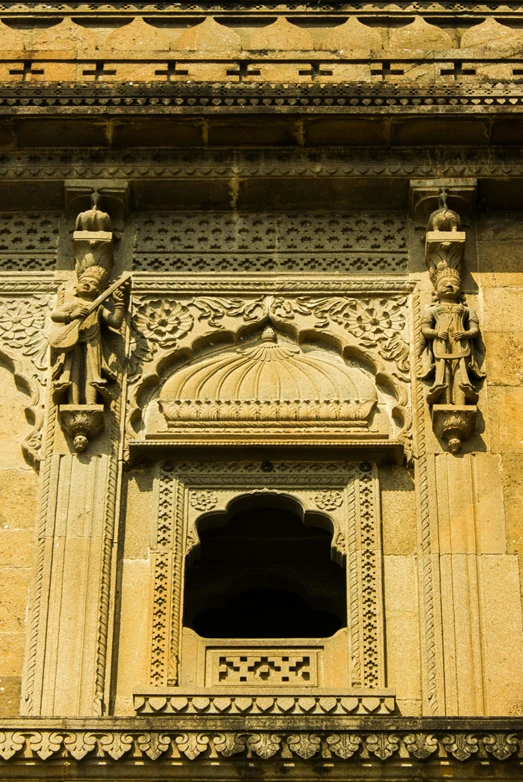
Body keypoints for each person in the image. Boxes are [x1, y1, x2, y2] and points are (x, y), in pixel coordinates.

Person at [50, 266, 127, 405]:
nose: (86, 284)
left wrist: (119, 303)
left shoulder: (98, 307)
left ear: (99, 291)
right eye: (83, 281)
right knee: (73, 373)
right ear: (75, 289)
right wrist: (71, 315)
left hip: (93, 343)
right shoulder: (74, 304)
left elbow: (115, 322)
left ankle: (91, 402)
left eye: (92, 284)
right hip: (72, 342)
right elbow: (55, 315)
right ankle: (73, 402)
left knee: (92, 372)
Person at [419, 270, 484, 406]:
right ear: (435, 291)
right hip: (441, 345)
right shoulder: (432, 311)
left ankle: (461, 402)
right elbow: (425, 330)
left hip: (461, 345)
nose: (449, 286)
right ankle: (445, 403)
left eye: (454, 283)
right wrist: (436, 333)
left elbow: (475, 330)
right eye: (444, 283)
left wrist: (465, 334)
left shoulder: (466, 310)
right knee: (443, 373)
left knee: (461, 372)